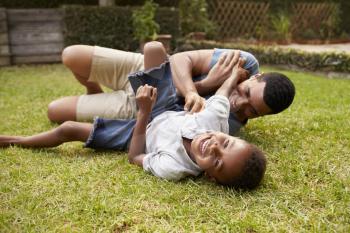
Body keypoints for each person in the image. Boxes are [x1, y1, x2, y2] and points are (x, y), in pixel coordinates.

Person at [0, 43, 266, 189]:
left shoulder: (174, 168)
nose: (215, 145)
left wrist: (143, 114)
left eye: (216, 161)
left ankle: (15, 140)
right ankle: (104, 88)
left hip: (140, 130)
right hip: (167, 107)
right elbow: (222, 93)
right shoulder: (216, 122)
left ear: (210, 177)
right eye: (226, 142)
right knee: (153, 48)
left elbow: (134, 156)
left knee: (68, 128)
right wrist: (232, 76)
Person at [48, 43, 295, 135]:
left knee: (55, 111)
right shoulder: (244, 61)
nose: (240, 105)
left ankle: (100, 100)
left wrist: (203, 86)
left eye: (252, 111)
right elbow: (180, 59)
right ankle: (93, 90)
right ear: (256, 76)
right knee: (71, 55)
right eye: (246, 93)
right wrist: (192, 92)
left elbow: (167, 113)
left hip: (142, 104)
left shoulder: (229, 124)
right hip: (146, 68)